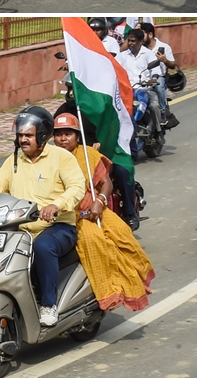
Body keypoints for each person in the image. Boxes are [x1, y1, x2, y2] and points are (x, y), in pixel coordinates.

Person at [0, 106, 86, 326]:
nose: (23, 140)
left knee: (42, 247)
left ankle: (49, 305)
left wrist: (56, 205)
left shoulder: (61, 158)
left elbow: (77, 187)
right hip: (20, 228)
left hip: (57, 227)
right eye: (21, 135)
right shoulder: (13, 160)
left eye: (28, 136)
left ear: (42, 136)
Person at [52, 113, 155, 311]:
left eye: (68, 134)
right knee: (97, 242)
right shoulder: (50, 160)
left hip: (96, 209)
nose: (63, 139)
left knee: (123, 234)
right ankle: (113, 291)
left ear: (77, 136)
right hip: (73, 216)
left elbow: (106, 183)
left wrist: (100, 201)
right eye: (59, 135)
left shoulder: (89, 154)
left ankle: (137, 280)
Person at [139, 22, 179, 128]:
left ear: (150, 35)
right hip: (141, 77)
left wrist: (165, 60)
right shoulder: (138, 48)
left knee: (159, 86)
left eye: (142, 33)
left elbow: (173, 65)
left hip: (158, 76)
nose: (140, 36)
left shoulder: (164, 47)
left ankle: (162, 112)